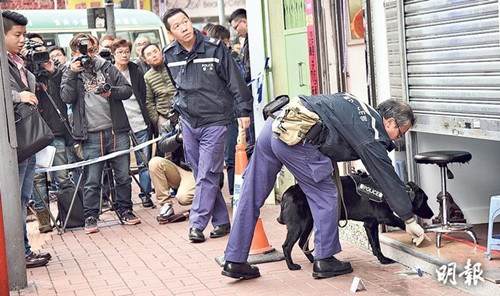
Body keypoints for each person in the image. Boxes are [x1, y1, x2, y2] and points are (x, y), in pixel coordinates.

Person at [222, 94, 430, 280]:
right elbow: (386, 177)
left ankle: (234, 259)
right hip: (297, 137)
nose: (398, 139)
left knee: (251, 194)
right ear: (390, 121)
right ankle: (325, 259)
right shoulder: (371, 133)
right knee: (326, 195)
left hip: (276, 125)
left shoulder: (356, 106)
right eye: (401, 133)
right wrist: (408, 218)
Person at [162, 8, 253, 243]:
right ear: (171, 33)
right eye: (177, 25)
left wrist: (243, 110)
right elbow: (177, 86)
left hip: (215, 119)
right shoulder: (169, 54)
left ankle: (197, 223)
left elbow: (235, 80)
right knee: (201, 173)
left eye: (186, 21)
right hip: (188, 121)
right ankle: (222, 221)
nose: (184, 27)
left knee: (208, 172)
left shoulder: (214, 48)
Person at [60, 33, 140, 234]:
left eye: (92, 50)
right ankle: (90, 216)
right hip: (90, 135)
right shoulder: (71, 72)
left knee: (123, 176)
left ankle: (125, 210)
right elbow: (66, 98)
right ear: (74, 52)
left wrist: (110, 92)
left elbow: (127, 90)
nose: (89, 55)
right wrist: (71, 72)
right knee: (92, 180)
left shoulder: (107, 67)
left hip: (116, 131)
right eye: (83, 51)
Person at [3, 10, 51, 268]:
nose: (23, 39)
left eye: (24, 34)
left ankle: (23, 251)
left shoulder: (18, 61)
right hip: (13, 142)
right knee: (15, 199)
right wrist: (17, 96)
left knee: (22, 198)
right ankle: (19, 253)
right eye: (17, 34)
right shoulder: (3, 63)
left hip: (27, 141)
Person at [24, 34, 74, 234]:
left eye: (40, 48)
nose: (38, 53)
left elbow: (63, 98)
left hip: (56, 132)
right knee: (37, 182)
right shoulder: (22, 72)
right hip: (33, 136)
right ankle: (45, 220)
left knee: (62, 177)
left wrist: (52, 72)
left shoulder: (56, 72)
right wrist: (27, 67)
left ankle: (68, 216)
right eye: (33, 49)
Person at [111, 38, 155, 208]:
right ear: (114, 54)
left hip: (139, 122)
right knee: (121, 166)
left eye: (127, 51)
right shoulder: (109, 71)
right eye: (120, 52)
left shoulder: (135, 70)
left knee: (144, 162)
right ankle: (123, 200)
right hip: (120, 125)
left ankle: (145, 194)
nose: (124, 55)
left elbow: (143, 95)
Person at [205, 24, 239, 199]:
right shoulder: (206, 60)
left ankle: (234, 192)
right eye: (222, 41)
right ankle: (215, 194)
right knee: (213, 158)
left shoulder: (231, 59)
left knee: (231, 155)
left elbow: (238, 84)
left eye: (226, 41)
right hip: (211, 116)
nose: (225, 44)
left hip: (230, 114)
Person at [149, 121, 195, 222]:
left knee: (183, 198)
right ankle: (166, 205)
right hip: (180, 168)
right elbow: (163, 146)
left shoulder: (199, 119)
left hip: (197, 170)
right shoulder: (169, 125)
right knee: (155, 162)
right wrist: (177, 137)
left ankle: (207, 198)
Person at [229, 8, 255, 145]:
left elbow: (249, 68)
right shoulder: (246, 41)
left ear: (243, 21)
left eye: (236, 27)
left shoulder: (254, 40)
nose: (236, 31)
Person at [142, 43, 176, 132]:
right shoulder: (147, 77)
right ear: (145, 60)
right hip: (163, 116)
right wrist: (156, 120)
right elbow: (149, 101)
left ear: (161, 52)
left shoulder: (173, 67)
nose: (154, 55)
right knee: (167, 144)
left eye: (155, 51)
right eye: (149, 54)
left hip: (182, 113)